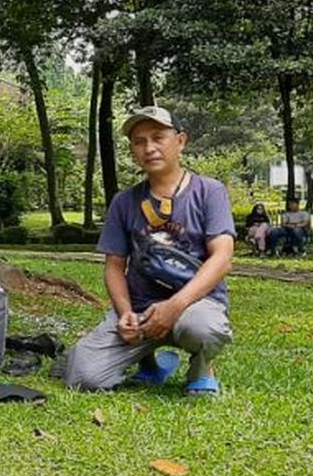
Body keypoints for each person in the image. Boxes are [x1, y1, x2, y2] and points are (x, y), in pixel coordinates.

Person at [64, 106, 235, 396]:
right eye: (139, 141)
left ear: (180, 141)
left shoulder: (210, 191)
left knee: (203, 328)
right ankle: (150, 366)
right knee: (82, 376)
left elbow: (222, 258)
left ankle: (202, 370)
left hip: (194, 305)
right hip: (141, 309)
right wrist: (125, 312)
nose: (149, 148)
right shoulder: (124, 202)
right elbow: (115, 266)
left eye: (158, 137)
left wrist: (175, 305)